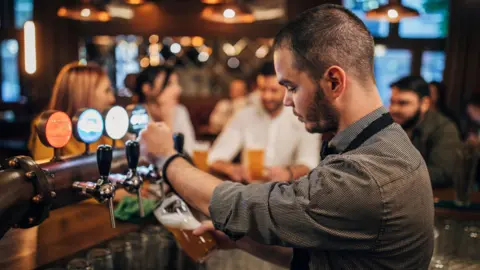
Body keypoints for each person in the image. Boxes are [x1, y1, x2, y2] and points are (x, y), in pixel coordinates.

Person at [139, 4, 433, 269]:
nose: (286, 101)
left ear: (333, 81)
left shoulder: (368, 174)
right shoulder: (380, 143)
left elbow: (248, 205)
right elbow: (315, 259)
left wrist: (167, 158)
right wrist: (242, 239)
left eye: (291, 87)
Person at [208, 61, 320, 183]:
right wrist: (233, 169)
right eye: (263, 89)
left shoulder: (303, 117)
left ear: (287, 89)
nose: (267, 96)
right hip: (250, 190)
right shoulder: (244, 115)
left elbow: (310, 163)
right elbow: (215, 157)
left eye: (273, 90)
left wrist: (288, 173)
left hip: (289, 191)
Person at [28, 62, 117, 161]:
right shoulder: (49, 126)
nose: (112, 99)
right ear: (83, 94)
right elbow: (46, 173)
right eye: (107, 90)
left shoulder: (101, 126)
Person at [390, 75, 461, 188]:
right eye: (392, 102)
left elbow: (442, 174)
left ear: (424, 104)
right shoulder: (393, 126)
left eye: (403, 103)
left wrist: (391, 174)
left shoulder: (444, 128)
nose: (393, 109)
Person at [133, 65, 195, 155]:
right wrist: (167, 119)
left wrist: (168, 117)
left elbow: (187, 154)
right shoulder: (135, 116)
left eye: (177, 83)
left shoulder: (180, 111)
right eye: (169, 84)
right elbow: (145, 157)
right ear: (146, 88)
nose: (178, 90)